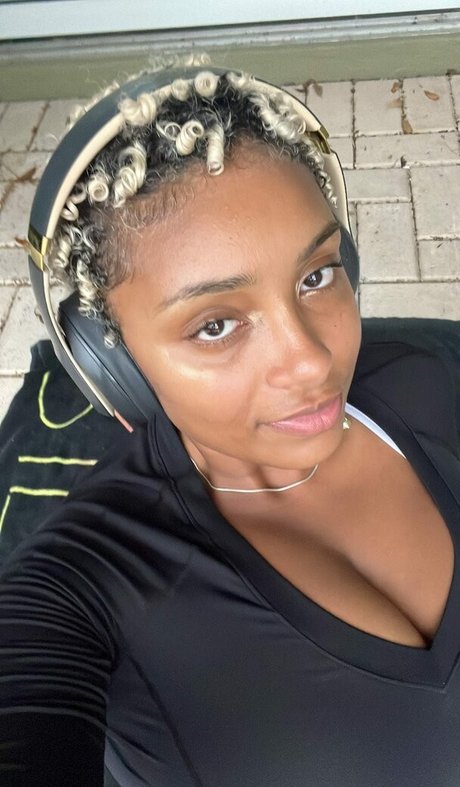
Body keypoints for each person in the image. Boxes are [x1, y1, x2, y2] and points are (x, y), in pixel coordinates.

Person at [0, 59, 459, 787]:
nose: (310, 361)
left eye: (316, 275)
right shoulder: (78, 586)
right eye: (215, 324)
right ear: (115, 365)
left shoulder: (431, 374)